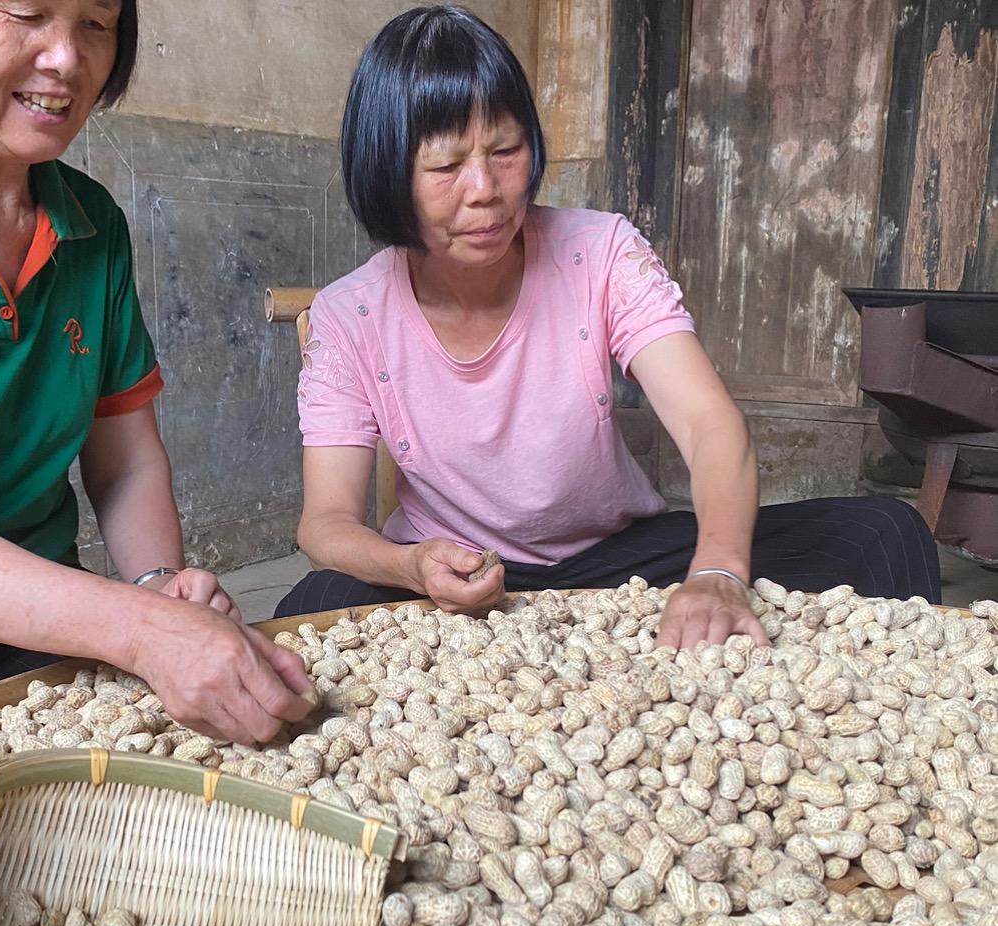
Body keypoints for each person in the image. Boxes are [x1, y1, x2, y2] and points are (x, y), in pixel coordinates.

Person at [277, 3, 941, 646]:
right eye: (447, 166)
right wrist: (411, 564)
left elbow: (709, 425)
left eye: (505, 150)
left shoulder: (598, 253)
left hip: (616, 561)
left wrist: (715, 572)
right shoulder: (348, 314)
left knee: (884, 531)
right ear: (387, 173)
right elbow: (327, 522)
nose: (484, 188)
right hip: (449, 575)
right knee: (308, 609)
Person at [0, 0, 311, 742]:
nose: (66, 58)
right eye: (28, 11)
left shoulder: (90, 223)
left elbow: (124, 460)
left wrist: (160, 585)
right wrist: (138, 627)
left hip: (44, 623)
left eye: (96, 24)